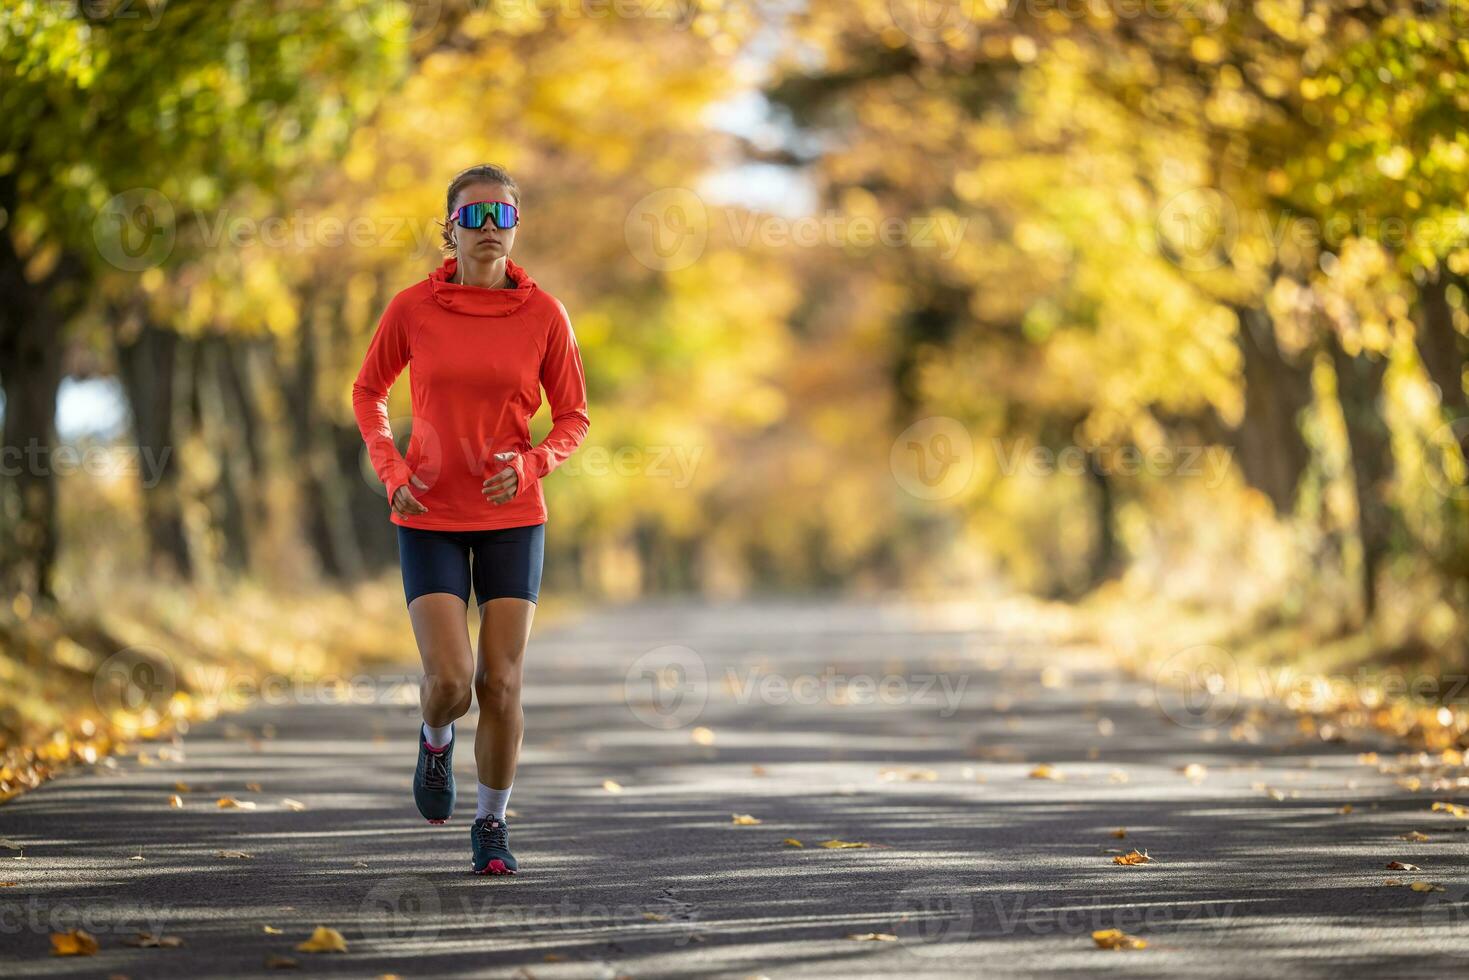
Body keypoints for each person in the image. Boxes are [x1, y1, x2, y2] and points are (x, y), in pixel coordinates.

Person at [351, 164, 589, 875]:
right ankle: (433, 740)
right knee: (452, 681)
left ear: (517, 228)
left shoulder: (545, 315)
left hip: (512, 513)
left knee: (502, 681)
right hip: (426, 512)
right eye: (474, 216)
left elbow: (573, 417)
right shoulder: (411, 309)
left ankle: (491, 824)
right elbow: (369, 392)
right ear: (448, 228)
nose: (489, 229)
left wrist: (534, 462)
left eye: (503, 216)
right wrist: (391, 470)